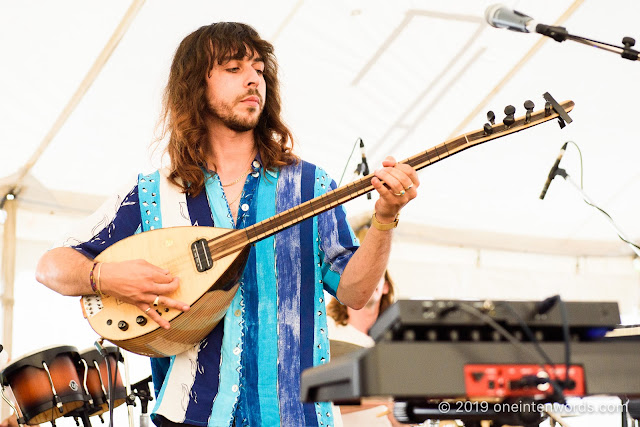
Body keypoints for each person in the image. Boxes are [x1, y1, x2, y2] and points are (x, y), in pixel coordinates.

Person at [35, 22, 418, 427]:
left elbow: (356, 292)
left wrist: (385, 217)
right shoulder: (153, 194)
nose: (253, 78)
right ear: (196, 86)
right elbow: (51, 267)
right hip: (190, 417)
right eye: (233, 68)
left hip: (294, 417)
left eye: (258, 69)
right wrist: (107, 277)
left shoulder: (310, 186)